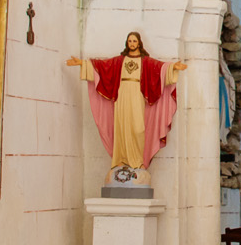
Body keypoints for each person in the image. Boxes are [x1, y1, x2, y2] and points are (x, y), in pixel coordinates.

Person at [67, 32, 186, 179]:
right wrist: (81, 63)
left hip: (137, 94)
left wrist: (173, 67)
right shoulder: (119, 61)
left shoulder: (145, 61)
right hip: (121, 94)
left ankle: (138, 161)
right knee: (121, 126)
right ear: (127, 43)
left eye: (134, 41)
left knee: (137, 128)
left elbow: (159, 68)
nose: (132, 43)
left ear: (139, 43)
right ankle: (120, 160)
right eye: (130, 41)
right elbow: (102, 66)